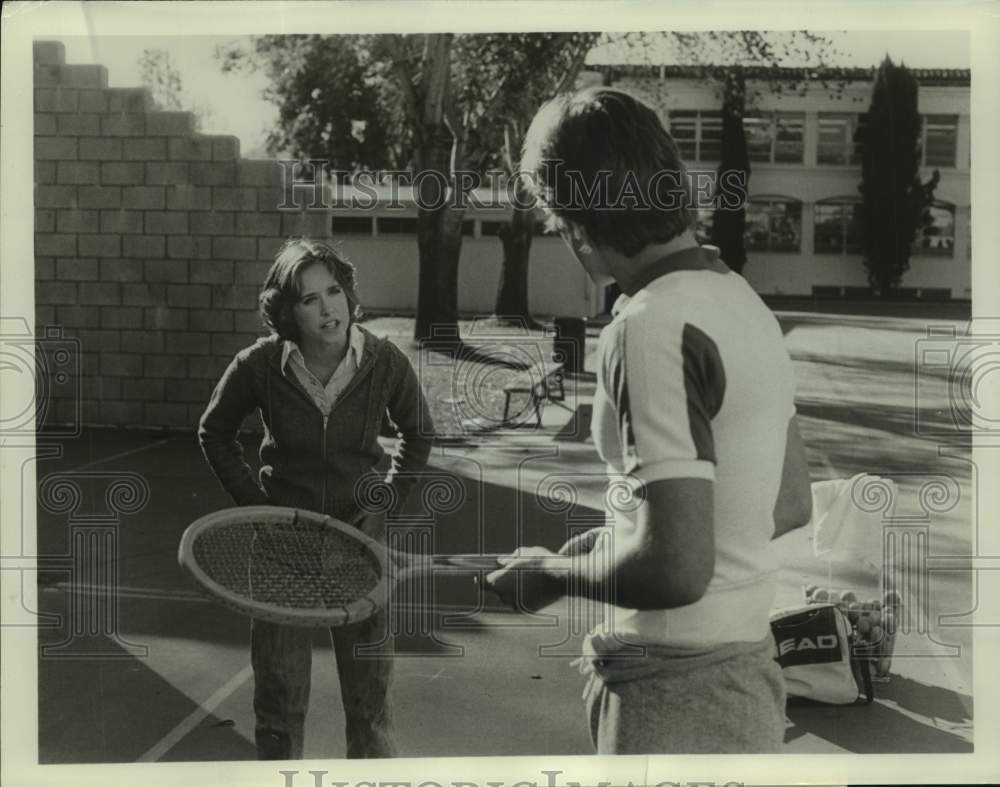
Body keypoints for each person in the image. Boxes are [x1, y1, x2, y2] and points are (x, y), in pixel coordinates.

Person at [486, 88, 813, 754]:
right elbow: (787, 503)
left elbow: (675, 569)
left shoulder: (647, 326)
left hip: (670, 697)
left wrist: (552, 574)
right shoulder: (740, 298)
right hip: (747, 682)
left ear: (577, 222)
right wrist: (607, 548)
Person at [198, 237, 433, 759]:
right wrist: (255, 505)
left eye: (334, 290)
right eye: (309, 299)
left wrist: (385, 505)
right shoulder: (257, 365)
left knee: (370, 713)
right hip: (283, 552)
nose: (328, 307)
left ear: (349, 294)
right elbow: (214, 432)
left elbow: (419, 433)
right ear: (287, 311)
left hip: (358, 548)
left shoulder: (383, 361)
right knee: (278, 711)